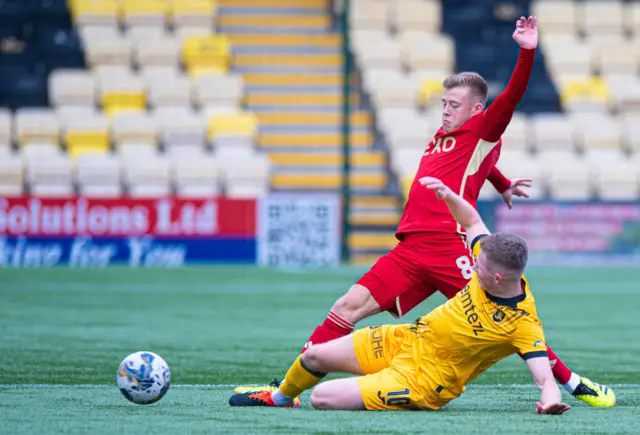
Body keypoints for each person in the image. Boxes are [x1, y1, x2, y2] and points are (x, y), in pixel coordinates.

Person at [235, 16, 614, 407]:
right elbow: (471, 164)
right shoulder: (448, 136)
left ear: (478, 109)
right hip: (412, 249)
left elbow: (513, 96)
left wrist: (527, 50)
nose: (446, 111)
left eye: (454, 105)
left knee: (508, 321)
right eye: (444, 104)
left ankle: (573, 384)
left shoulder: (484, 128)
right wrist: (501, 183)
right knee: (346, 306)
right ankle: (285, 391)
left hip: (451, 247)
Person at [229, 177, 577, 413]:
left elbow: (544, 379)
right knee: (315, 357)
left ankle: (380, 389)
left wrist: (549, 403)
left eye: (479, 265)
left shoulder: (523, 324)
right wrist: (448, 194)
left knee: (321, 397)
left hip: (425, 380)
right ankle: (278, 398)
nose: (472, 263)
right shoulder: (488, 257)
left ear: (498, 277)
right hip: (406, 340)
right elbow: (471, 220)